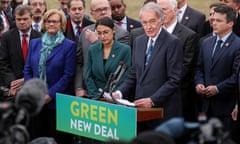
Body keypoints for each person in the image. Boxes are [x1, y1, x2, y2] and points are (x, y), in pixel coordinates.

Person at [113, 2, 183, 133]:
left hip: (162, 111)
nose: (148, 26)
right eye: (144, 22)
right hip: (140, 111)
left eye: (152, 21)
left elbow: (173, 80)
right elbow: (134, 74)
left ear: (161, 20)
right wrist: (119, 93)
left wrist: (152, 100)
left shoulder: (173, 42)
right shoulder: (139, 41)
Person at [24, 9, 76, 144]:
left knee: (59, 139)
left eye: (55, 21)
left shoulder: (69, 46)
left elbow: (68, 75)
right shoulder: (35, 43)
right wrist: (33, 92)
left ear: (61, 24)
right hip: (37, 102)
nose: (51, 24)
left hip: (58, 102)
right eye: (48, 21)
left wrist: (50, 94)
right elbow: (28, 69)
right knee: (36, 137)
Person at [195, 4, 240, 142]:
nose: (213, 23)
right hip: (206, 107)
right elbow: (199, 68)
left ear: (230, 23)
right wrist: (199, 83)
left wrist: (218, 88)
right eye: (213, 19)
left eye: (218, 20)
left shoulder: (238, 45)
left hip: (227, 109)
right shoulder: (206, 43)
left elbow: (236, 76)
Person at [74, 0, 129, 98]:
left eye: (106, 9)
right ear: (92, 14)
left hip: (112, 94)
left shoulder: (122, 34)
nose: (103, 12)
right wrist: (79, 87)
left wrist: (96, 42)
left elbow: (120, 68)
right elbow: (79, 63)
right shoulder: (85, 32)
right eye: (99, 10)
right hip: (89, 92)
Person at [157, 0, 198, 122]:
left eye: (164, 10)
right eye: (158, 10)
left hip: (176, 96)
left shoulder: (188, 35)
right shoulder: (151, 33)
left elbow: (185, 67)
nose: (160, 14)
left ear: (175, 11)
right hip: (152, 94)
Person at [0, 5, 41, 99]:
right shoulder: (7, 37)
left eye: (25, 19)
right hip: (12, 88)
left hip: (34, 86)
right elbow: (3, 63)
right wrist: (14, 84)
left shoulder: (40, 37)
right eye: (18, 19)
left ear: (31, 18)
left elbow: (41, 64)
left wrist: (27, 80)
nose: (22, 22)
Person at [85, 16, 131, 99]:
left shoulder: (125, 50)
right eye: (99, 33)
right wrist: (96, 96)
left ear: (113, 30)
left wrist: (113, 96)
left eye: (105, 32)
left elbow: (125, 76)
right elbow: (88, 76)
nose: (102, 36)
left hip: (116, 99)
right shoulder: (92, 49)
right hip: (96, 98)